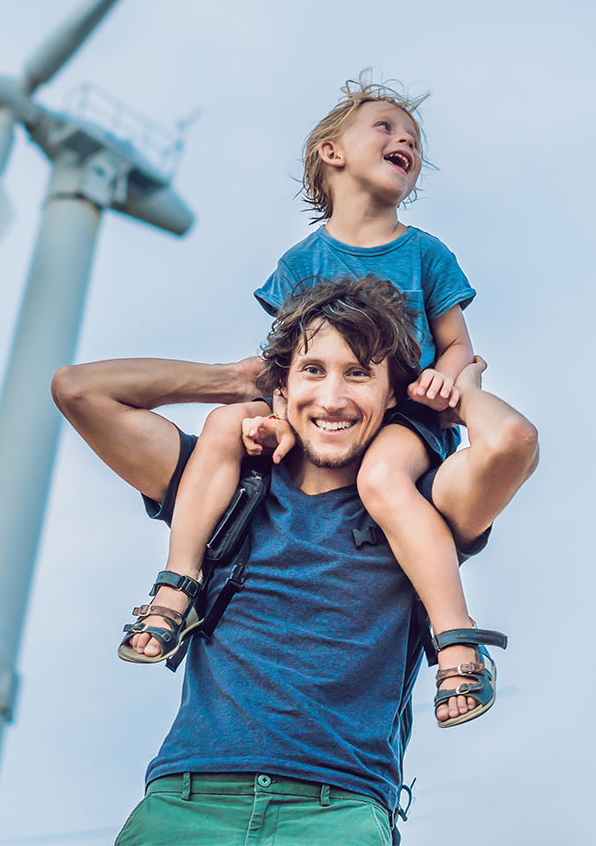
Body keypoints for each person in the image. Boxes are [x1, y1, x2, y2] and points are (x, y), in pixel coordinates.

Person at [51, 277, 538, 844]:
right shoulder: (223, 487)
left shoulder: (418, 507)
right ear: (279, 390)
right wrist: (234, 382)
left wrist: (462, 387)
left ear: (391, 396)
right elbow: (78, 390)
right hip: (186, 802)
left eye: (359, 373)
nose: (332, 398)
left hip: (340, 811)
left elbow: (511, 443)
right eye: (312, 370)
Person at [118, 75, 499, 726]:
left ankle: (455, 637)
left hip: (408, 415)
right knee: (221, 423)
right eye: (384, 126)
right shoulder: (300, 262)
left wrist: (449, 378)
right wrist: (270, 423)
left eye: (412, 137)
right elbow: (286, 365)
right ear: (332, 152)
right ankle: (178, 583)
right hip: (321, 412)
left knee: (383, 480)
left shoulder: (427, 254)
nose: (403, 138)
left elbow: (458, 344)